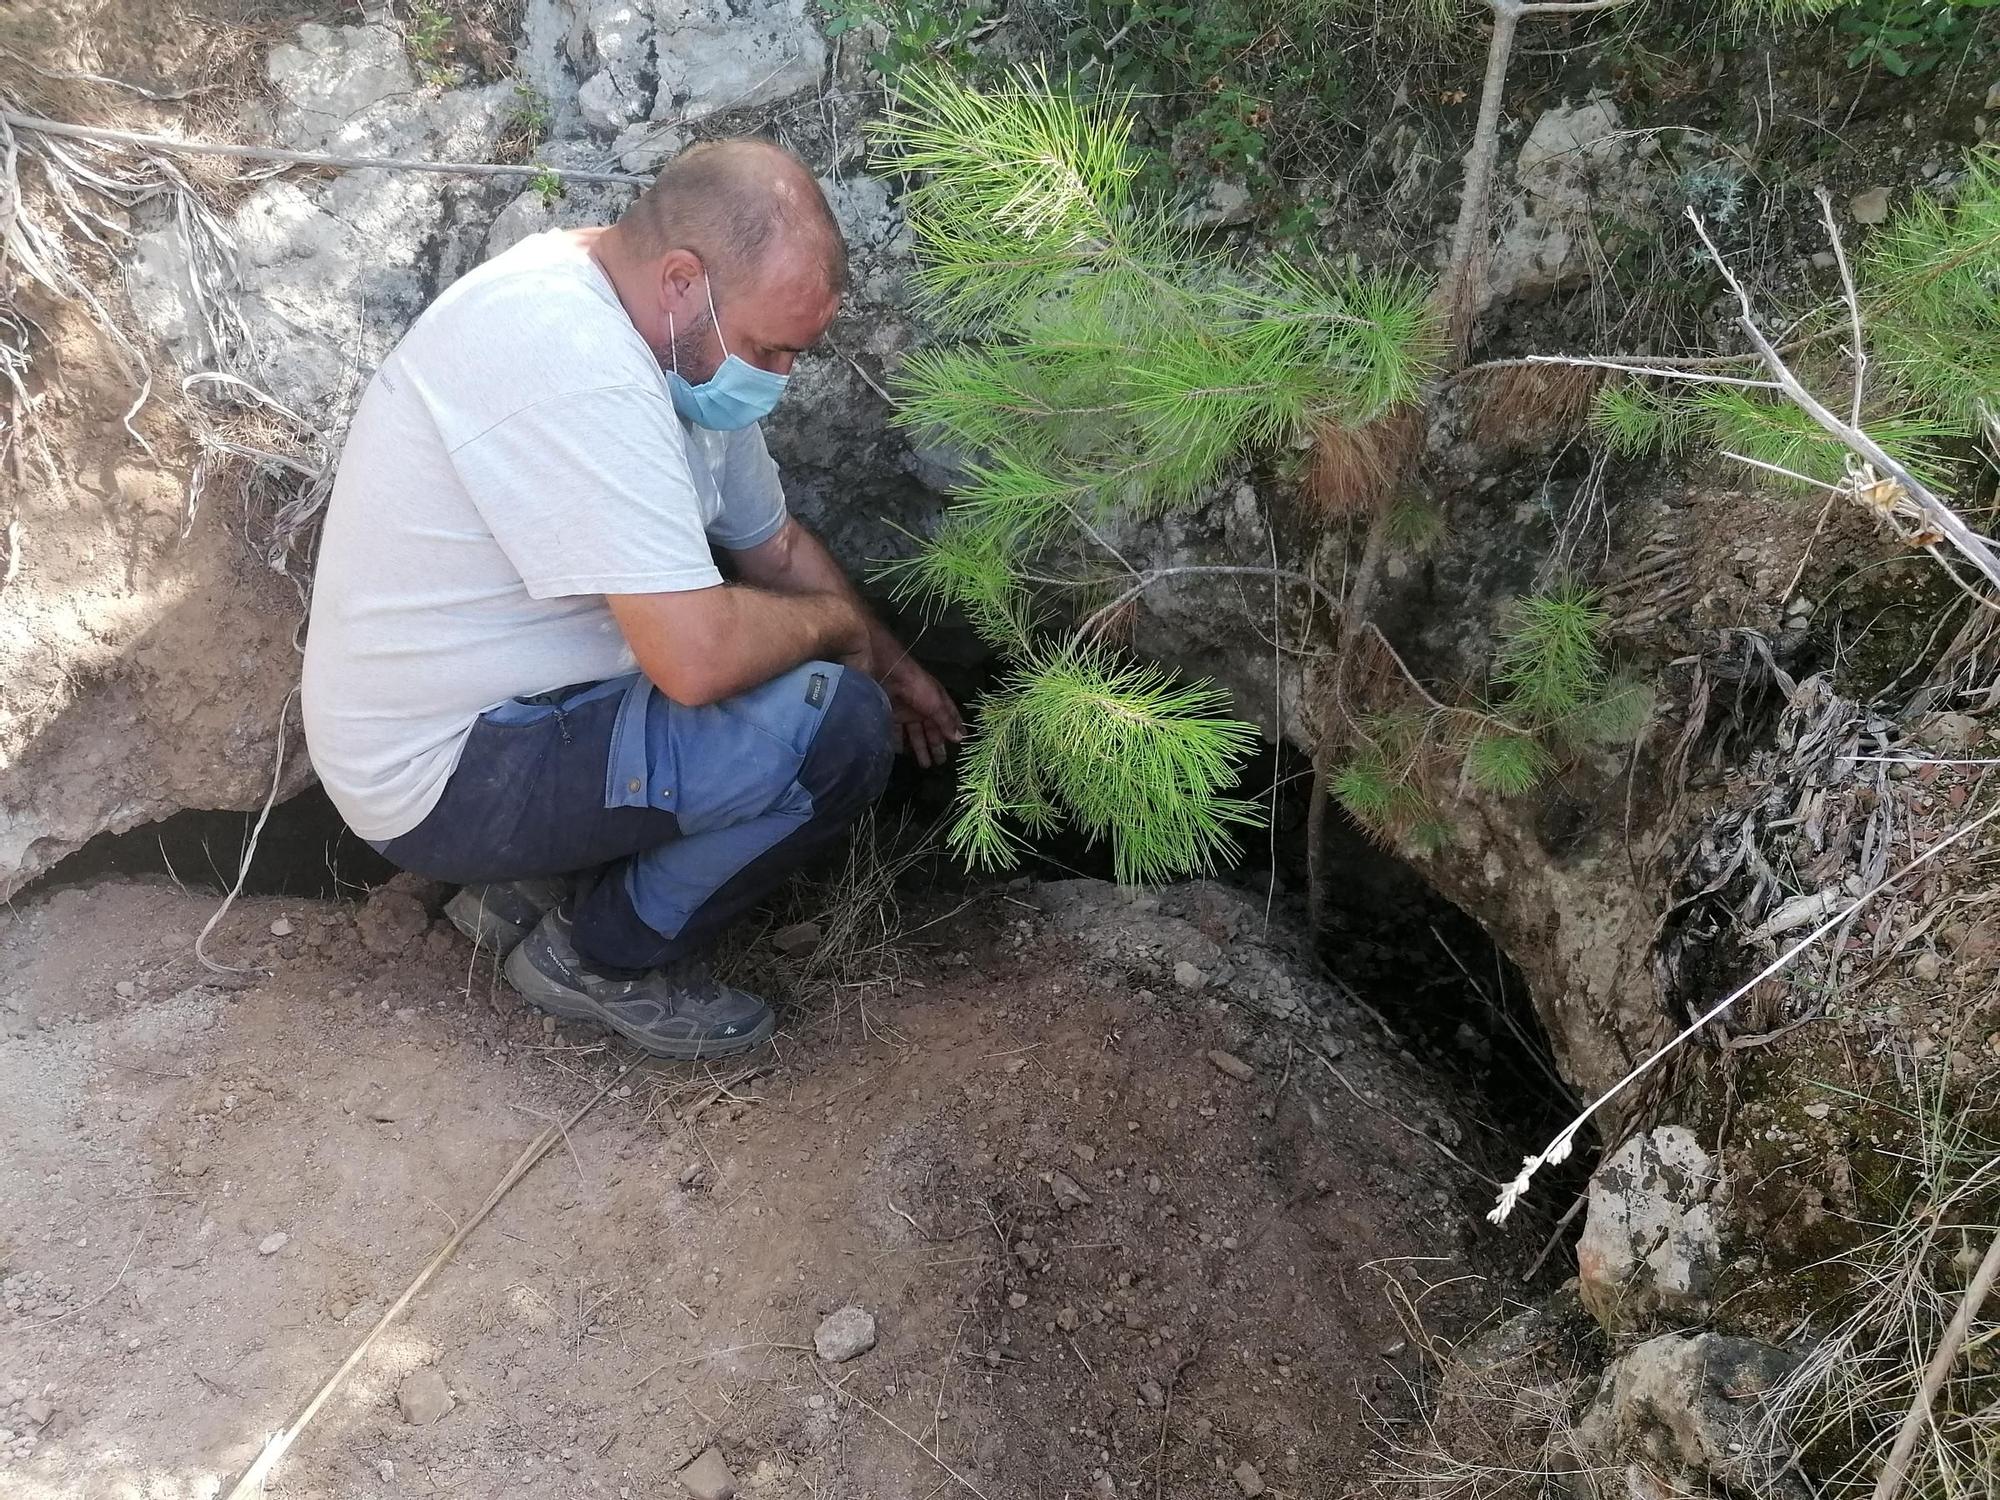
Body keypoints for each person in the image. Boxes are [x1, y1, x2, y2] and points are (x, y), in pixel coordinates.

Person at [301, 139, 962, 1060]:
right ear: (684, 280)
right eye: (770, 346)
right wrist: (841, 633)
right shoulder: (577, 361)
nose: (779, 376)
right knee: (834, 727)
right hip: (444, 772)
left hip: (515, 715)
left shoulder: (678, 355)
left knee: (800, 661)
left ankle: (520, 888)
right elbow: (694, 661)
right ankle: (599, 956)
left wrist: (896, 667)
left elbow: (771, 546)